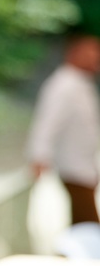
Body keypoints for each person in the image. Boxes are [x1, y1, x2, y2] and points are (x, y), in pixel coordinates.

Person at [28, 33, 100, 227]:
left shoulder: (81, 84)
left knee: (83, 225)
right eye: (91, 51)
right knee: (87, 228)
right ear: (74, 53)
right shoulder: (63, 85)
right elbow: (48, 122)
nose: (96, 56)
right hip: (72, 170)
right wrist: (39, 156)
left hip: (83, 168)